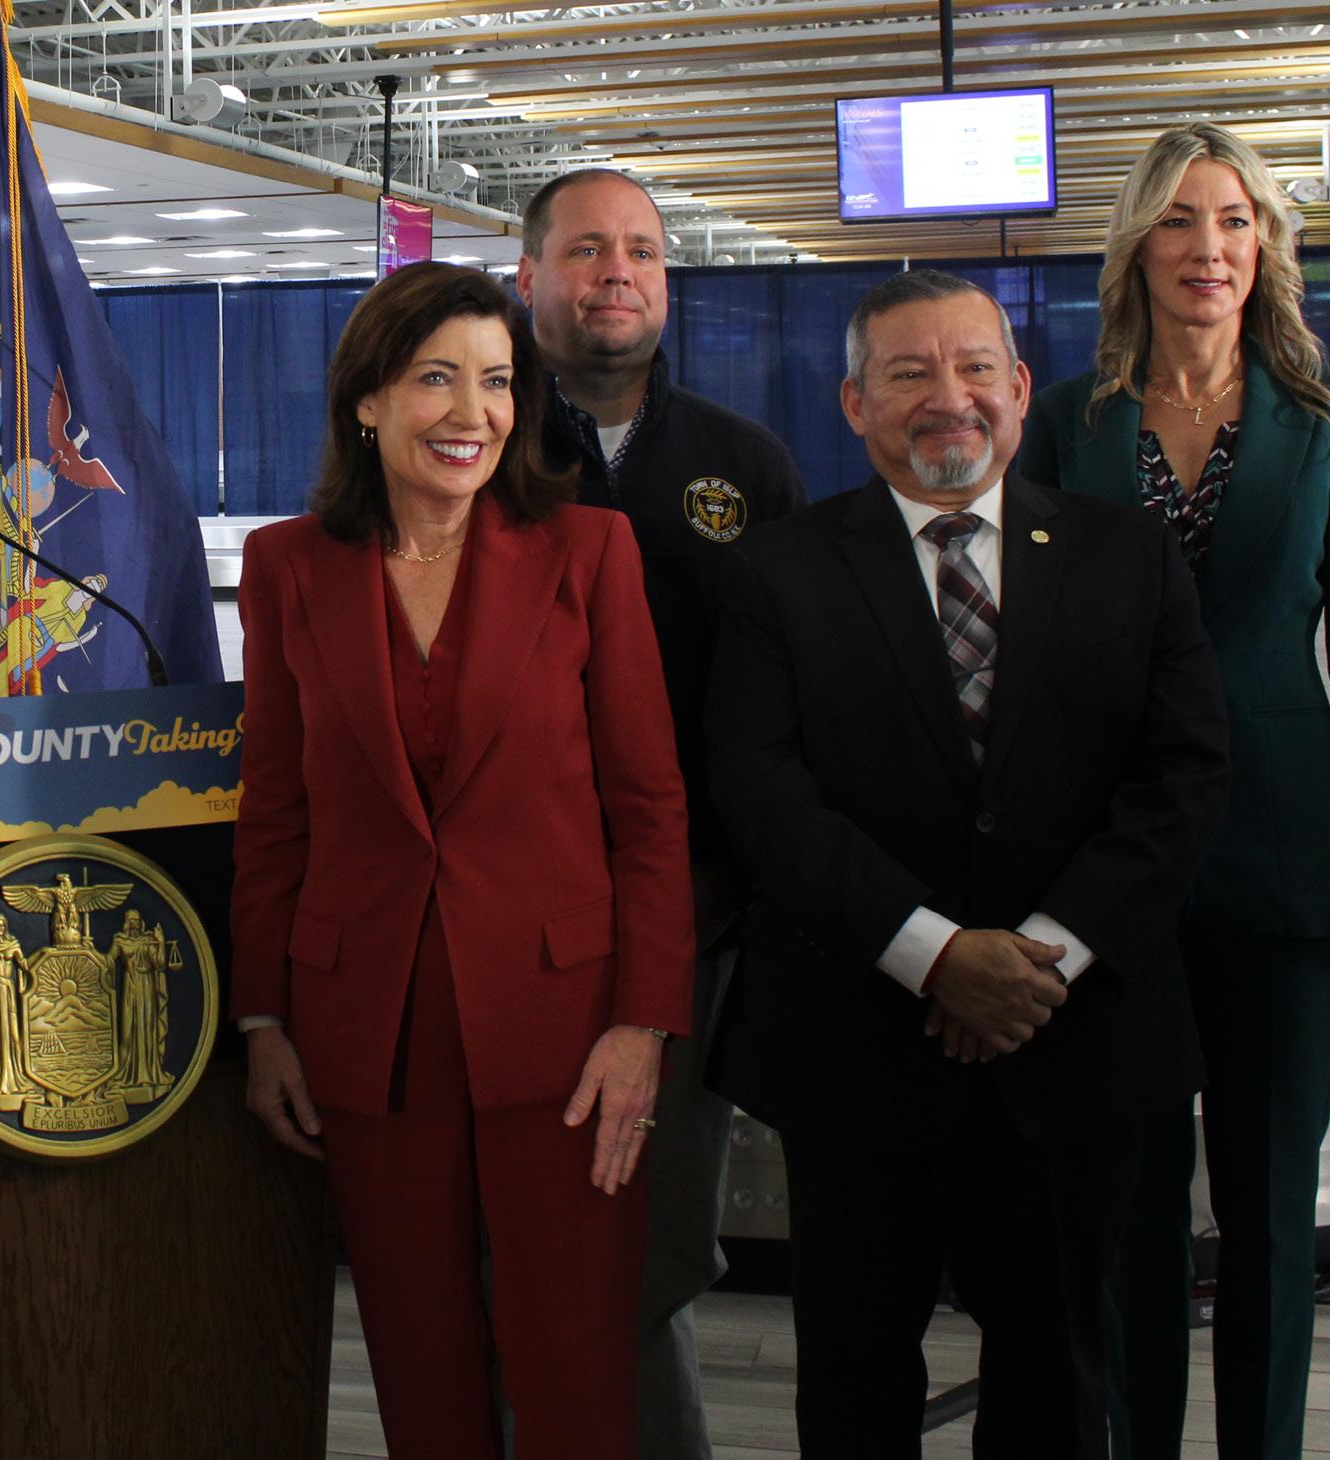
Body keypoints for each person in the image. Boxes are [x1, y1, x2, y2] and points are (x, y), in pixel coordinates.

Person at [701, 269, 1229, 1457]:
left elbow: (1184, 775)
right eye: (908, 373)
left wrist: (1034, 961)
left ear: (1020, 387)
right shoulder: (776, 573)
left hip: (1070, 1040)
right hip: (855, 1046)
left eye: (974, 366)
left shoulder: (1128, 555)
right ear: (853, 403)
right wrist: (933, 955)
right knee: (851, 1384)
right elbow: (760, 792)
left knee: (1056, 1377)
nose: (949, 397)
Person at [234, 261, 696, 1458]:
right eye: (435, 378)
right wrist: (262, 1015)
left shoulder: (588, 552)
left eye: (495, 382)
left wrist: (643, 1020)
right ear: (366, 400)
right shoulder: (287, 566)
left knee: (572, 1370)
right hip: (367, 1031)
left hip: (566, 1031)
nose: (471, 412)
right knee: (419, 1368)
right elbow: (273, 809)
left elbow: (649, 808)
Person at [1017, 122, 1330, 1460]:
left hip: (1281, 850)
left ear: (1265, 247)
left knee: (1264, 1210)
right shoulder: (1067, 423)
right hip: (1110, 862)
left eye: (1235, 220)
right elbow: (1027, 657)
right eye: (1181, 220)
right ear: (1135, 246)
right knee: (1128, 1207)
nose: (1209, 247)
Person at [514, 166, 806, 1460]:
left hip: (686, 928)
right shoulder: (472, 448)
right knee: (509, 1240)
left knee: (647, 1245)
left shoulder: (743, 466)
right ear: (528, 277)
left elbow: (789, 713)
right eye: (585, 249)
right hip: (500, 925)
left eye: (638, 249)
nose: (614, 273)